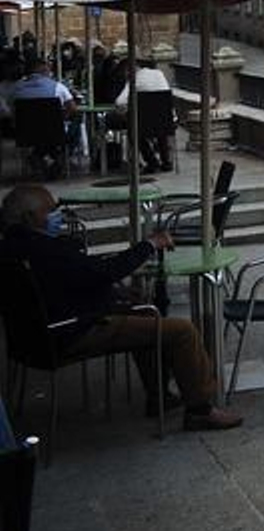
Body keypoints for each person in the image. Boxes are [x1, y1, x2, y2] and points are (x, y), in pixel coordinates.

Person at [0, 185, 243, 431]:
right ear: (30, 217)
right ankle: (200, 409)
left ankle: (158, 396)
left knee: (144, 313)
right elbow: (103, 272)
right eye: (50, 210)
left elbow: (76, 279)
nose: (57, 216)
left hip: (34, 338)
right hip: (75, 330)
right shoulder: (44, 249)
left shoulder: (13, 248)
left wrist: (115, 294)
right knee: (183, 331)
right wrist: (148, 245)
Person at [12, 56, 78, 177]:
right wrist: (63, 117)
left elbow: (12, 110)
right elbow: (73, 108)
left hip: (25, 133)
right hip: (54, 132)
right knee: (76, 126)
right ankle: (58, 157)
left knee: (41, 135)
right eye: (47, 67)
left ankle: (40, 155)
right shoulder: (57, 86)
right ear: (43, 69)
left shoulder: (16, 89)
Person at [113, 56, 173, 173]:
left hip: (143, 125)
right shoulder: (159, 73)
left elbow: (119, 101)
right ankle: (166, 161)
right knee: (160, 130)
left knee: (133, 131)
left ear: (128, 70)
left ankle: (151, 161)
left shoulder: (134, 79)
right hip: (166, 121)